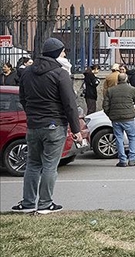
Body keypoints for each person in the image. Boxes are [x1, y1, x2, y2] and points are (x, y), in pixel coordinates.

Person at [10, 38, 82, 214]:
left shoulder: (26, 73)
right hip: (54, 125)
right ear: (57, 53)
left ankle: (28, 203)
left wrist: (32, 115)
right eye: (63, 52)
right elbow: (70, 104)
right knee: (50, 165)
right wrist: (76, 129)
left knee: (33, 164)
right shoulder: (60, 73)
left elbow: (23, 99)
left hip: (33, 126)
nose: (65, 55)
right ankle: (45, 204)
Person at [103, 72, 135, 167]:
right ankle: (132, 159)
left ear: (117, 80)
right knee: (132, 137)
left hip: (115, 119)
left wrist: (110, 115)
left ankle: (122, 160)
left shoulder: (110, 90)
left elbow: (105, 106)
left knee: (119, 138)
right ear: (126, 79)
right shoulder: (131, 89)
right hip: (128, 118)